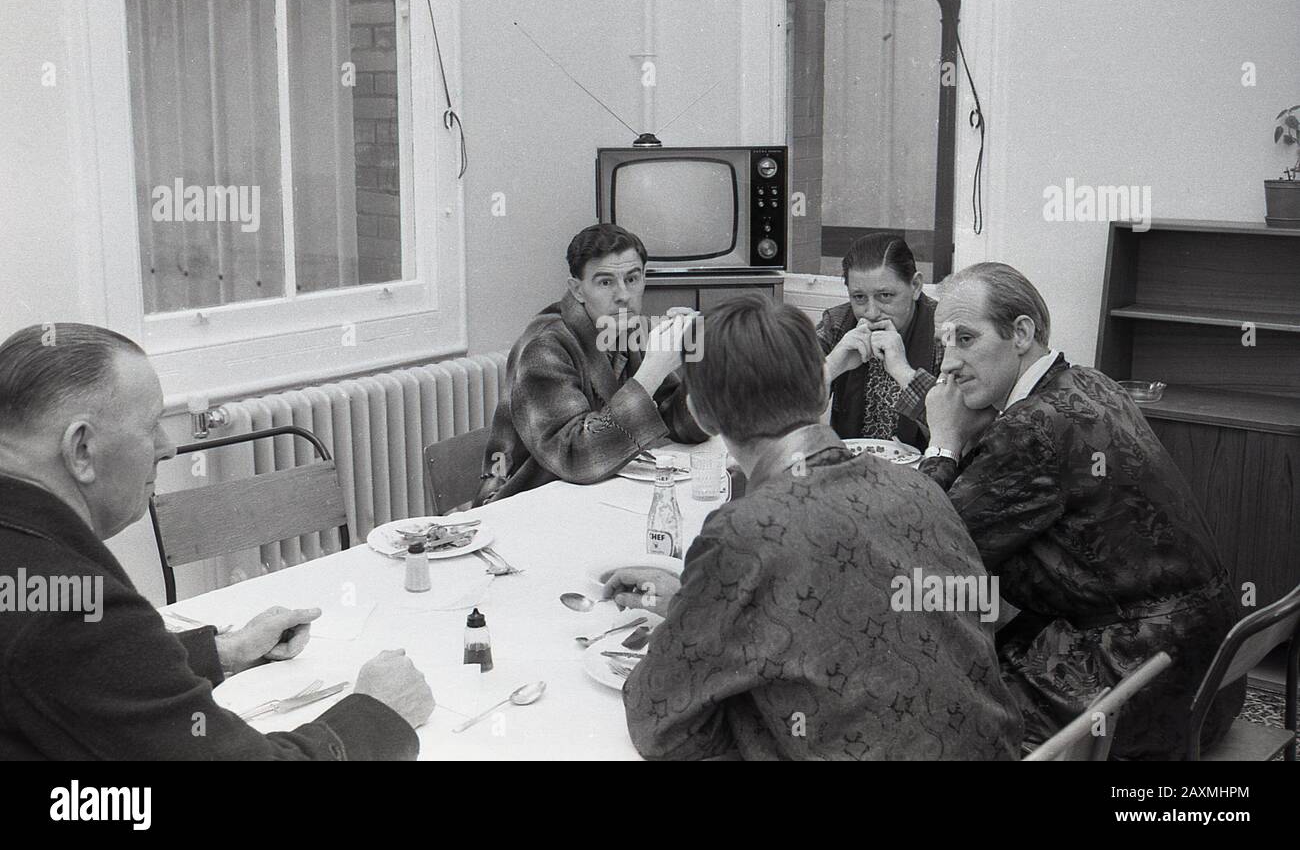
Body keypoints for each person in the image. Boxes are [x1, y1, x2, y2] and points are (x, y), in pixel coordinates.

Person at [608, 296, 1023, 760]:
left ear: (702, 416)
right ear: (822, 392)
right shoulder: (919, 487)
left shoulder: (743, 532)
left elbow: (658, 723)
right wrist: (698, 605)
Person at [0, 323, 435, 760]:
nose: (167, 448)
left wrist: (223, 652)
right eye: (151, 426)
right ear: (80, 449)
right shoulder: (74, 607)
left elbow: (95, 674)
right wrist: (377, 714)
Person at [915, 262, 1245, 759]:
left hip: (1138, 689)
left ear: (1021, 333)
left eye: (966, 339)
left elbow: (924, 545)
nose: (947, 364)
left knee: (934, 702)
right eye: (945, 344)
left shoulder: (1030, 428)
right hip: (1210, 671)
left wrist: (943, 442)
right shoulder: (1088, 383)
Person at [475, 223, 706, 505]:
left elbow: (680, 425)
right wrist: (653, 371)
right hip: (519, 505)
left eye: (632, 279)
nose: (623, 295)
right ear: (578, 290)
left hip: (589, 496)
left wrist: (696, 362)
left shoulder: (625, 328)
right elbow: (578, 457)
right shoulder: (545, 346)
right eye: (606, 282)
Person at [817, 234, 943, 450]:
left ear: (915, 286)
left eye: (885, 295)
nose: (872, 312)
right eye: (859, 297)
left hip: (923, 474)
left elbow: (960, 427)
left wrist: (904, 372)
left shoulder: (942, 329)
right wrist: (833, 366)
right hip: (852, 469)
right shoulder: (836, 324)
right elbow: (782, 412)